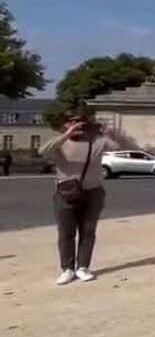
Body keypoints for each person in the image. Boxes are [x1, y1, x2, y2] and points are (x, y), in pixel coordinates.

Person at [41, 110, 118, 285]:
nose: (77, 125)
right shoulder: (60, 142)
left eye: (80, 121)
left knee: (88, 231)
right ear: (65, 124)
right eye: (72, 121)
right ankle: (67, 269)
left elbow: (117, 147)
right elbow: (44, 151)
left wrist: (109, 133)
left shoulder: (96, 141)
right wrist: (67, 135)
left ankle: (83, 267)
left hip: (93, 191)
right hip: (66, 192)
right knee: (66, 231)